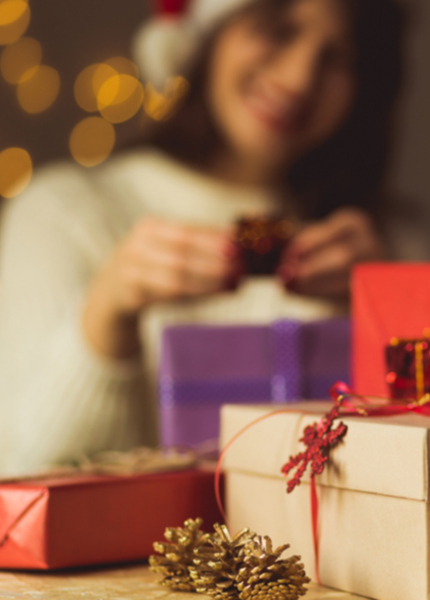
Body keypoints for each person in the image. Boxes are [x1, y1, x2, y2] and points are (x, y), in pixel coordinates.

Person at [0, 0, 407, 475]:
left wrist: (389, 306)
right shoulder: (65, 213)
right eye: (278, 29)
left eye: (338, 57)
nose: (299, 78)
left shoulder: (388, 243)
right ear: (212, 30)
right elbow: (21, 479)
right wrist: (105, 317)